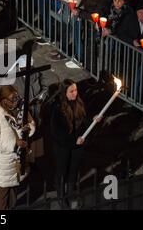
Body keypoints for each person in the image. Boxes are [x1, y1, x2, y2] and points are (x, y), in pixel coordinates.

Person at [0, 85, 36, 210]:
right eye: (12, 99)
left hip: (16, 161)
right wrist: (14, 144)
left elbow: (30, 124)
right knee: (2, 201)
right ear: (4, 100)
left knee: (13, 197)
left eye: (16, 99)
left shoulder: (19, 110)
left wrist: (28, 129)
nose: (15, 102)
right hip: (3, 164)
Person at [50, 79, 89, 208]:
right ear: (64, 93)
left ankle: (71, 192)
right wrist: (73, 141)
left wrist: (93, 119)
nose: (75, 93)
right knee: (62, 171)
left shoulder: (79, 103)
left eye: (76, 90)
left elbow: (83, 120)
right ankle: (61, 196)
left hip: (77, 145)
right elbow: (57, 133)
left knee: (73, 170)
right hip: (63, 146)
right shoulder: (57, 108)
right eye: (71, 91)